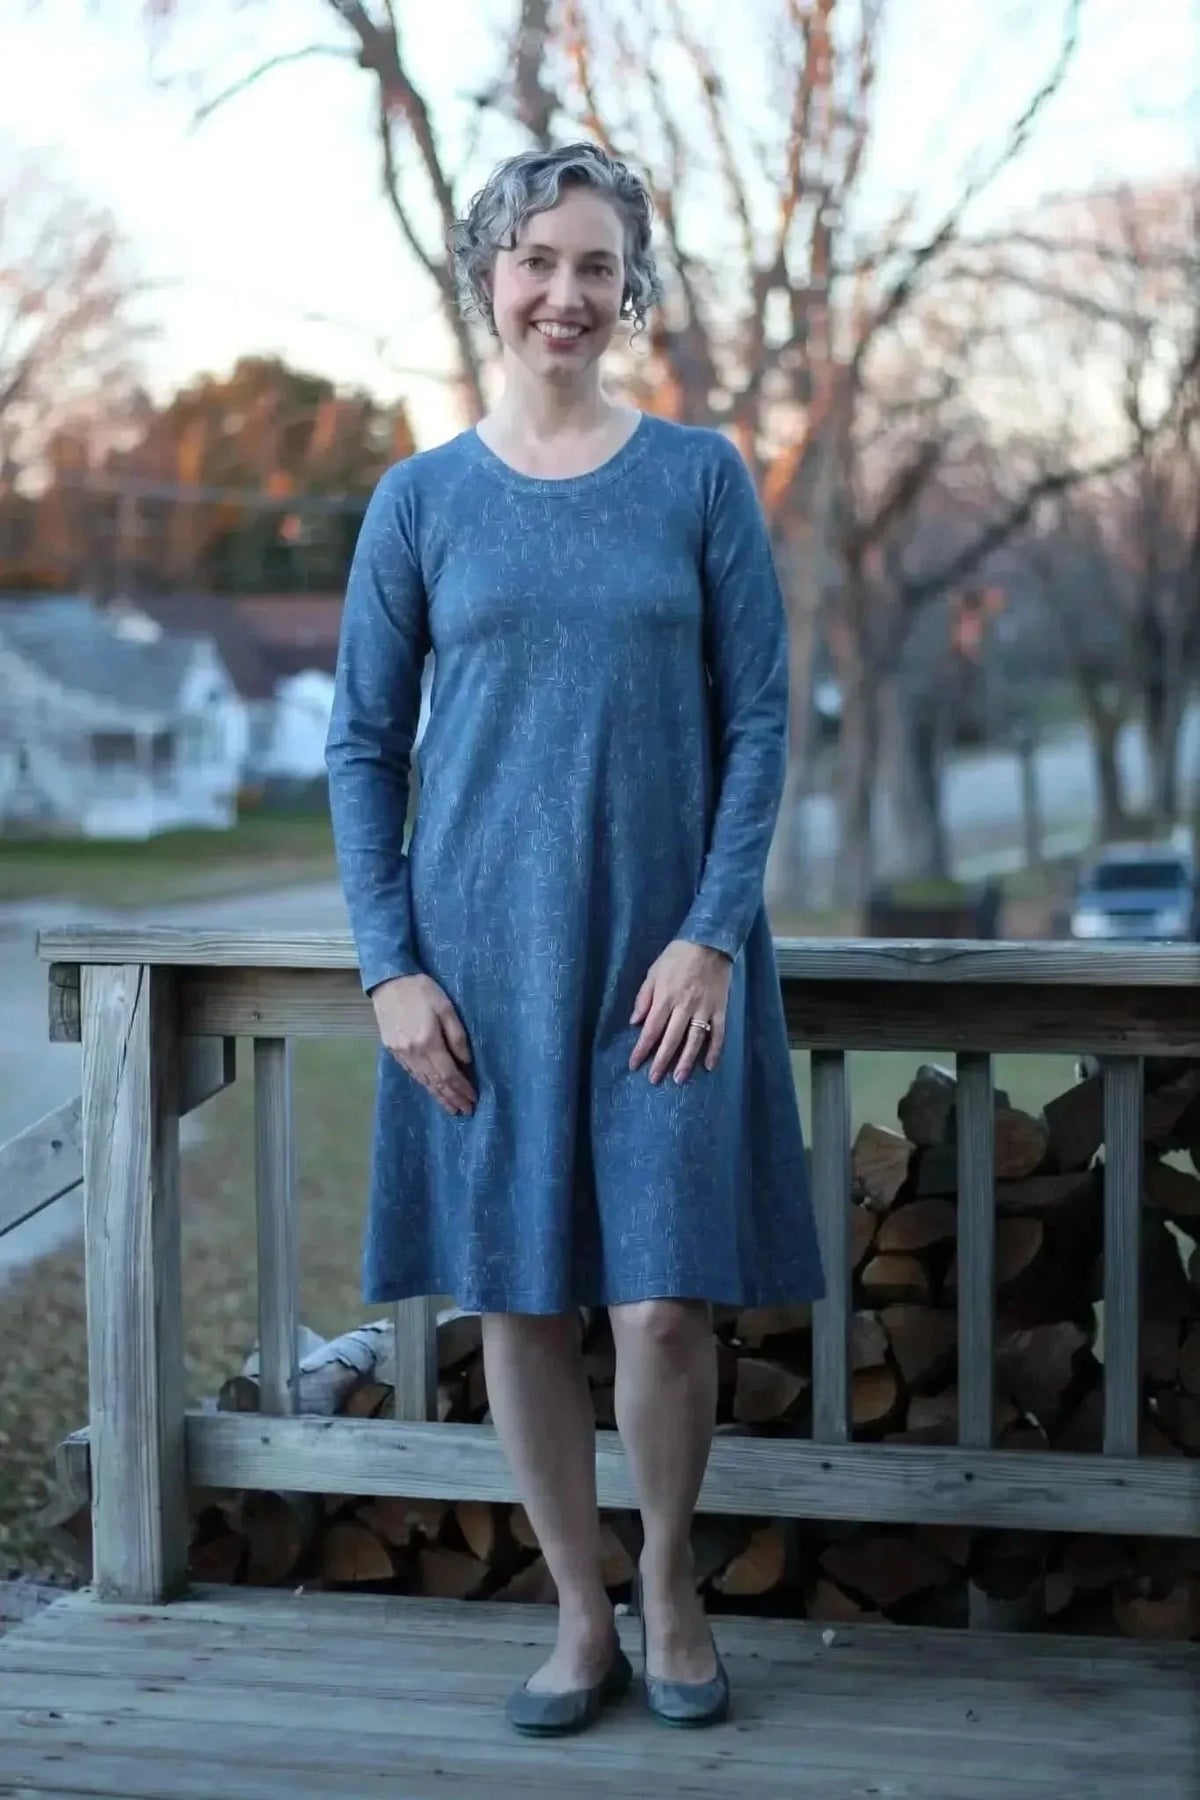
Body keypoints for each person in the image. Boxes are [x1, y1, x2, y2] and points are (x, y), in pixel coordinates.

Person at [325, 140, 826, 1736]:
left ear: (630, 288)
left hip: (670, 969)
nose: (565, 293)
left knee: (666, 1303)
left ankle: (672, 1584)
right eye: (538, 258)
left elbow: (756, 723)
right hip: (479, 970)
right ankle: (576, 1612)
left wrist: (712, 936)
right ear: (491, 273)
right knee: (522, 1300)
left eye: (596, 265)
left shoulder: (698, 477)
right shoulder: (419, 502)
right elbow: (359, 749)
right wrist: (392, 969)